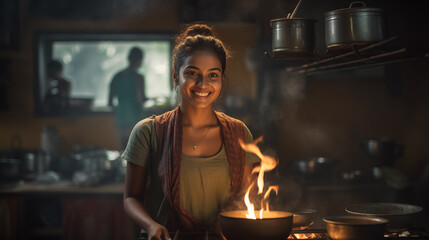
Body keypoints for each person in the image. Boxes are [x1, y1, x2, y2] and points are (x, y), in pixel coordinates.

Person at [122, 24, 260, 240]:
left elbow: (244, 199)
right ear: (175, 76)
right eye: (192, 73)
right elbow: (131, 197)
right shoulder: (148, 132)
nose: (202, 84)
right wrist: (150, 226)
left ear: (222, 79)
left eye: (212, 75)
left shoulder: (239, 134)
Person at [108, 47, 147, 149]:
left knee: (125, 149)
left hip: (121, 118)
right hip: (135, 117)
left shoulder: (117, 76)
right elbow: (141, 99)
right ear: (139, 60)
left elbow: (110, 103)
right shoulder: (139, 77)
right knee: (136, 152)